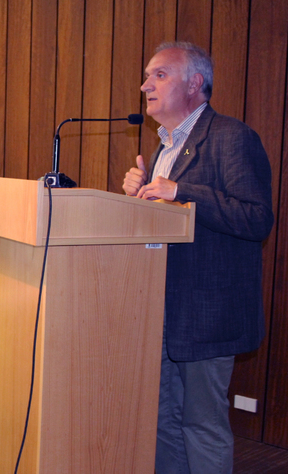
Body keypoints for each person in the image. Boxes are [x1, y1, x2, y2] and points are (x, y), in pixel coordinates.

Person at [122, 42, 273, 474]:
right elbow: (166, 227)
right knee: (161, 422)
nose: (145, 85)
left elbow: (257, 218)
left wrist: (180, 191)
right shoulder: (162, 149)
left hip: (207, 314)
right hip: (163, 311)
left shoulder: (231, 137)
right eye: (147, 76)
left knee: (201, 424)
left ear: (195, 83)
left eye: (159, 76)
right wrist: (140, 197)